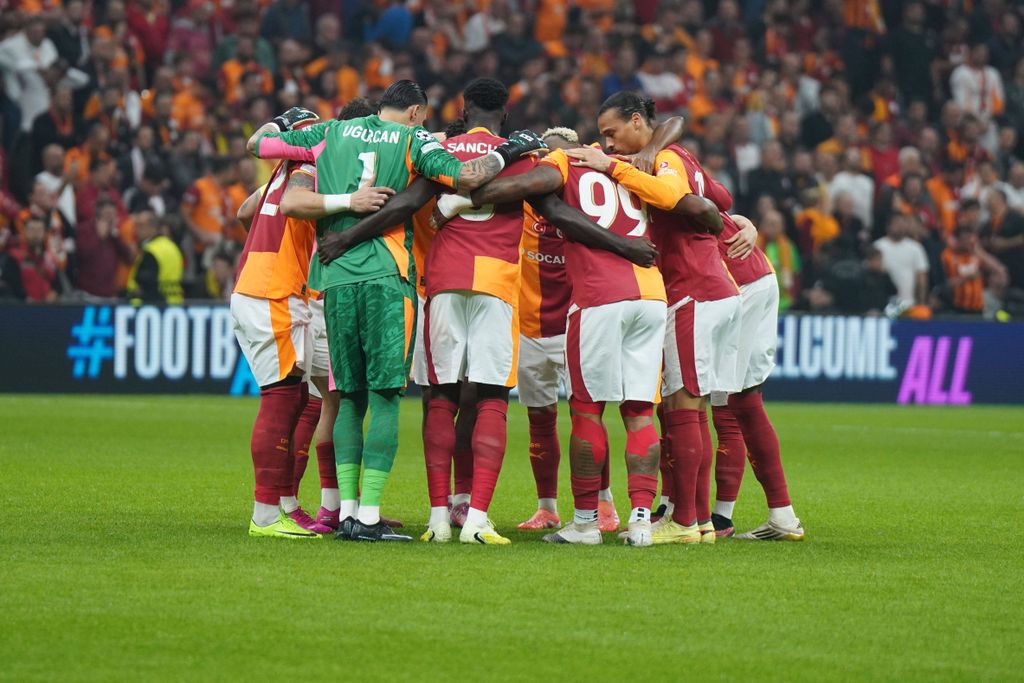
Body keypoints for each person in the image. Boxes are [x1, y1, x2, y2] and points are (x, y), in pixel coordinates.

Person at [249, 80, 546, 542]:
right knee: (386, 397)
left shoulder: (329, 132)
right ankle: (369, 516)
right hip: (388, 277)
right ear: (415, 112)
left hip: (334, 277)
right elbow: (468, 177)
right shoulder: (415, 139)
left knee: (348, 397)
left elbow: (260, 145)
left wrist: (285, 125)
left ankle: (345, 513)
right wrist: (508, 151)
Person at [439, 121, 666, 547]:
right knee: (545, 418)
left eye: (553, 154)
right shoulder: (527, 203)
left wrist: (456, 195)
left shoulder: (573, 193)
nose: (544, 161)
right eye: (540, 156)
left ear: (576, 154)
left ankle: (601, 507)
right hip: (531, 325)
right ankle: (549, 507)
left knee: (590, 413)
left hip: (584, 317)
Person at [568, 92, 740, 545]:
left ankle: (686, 521)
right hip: (709, 290)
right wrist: (739, 222)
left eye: (612, 133)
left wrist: (614, 166)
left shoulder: (662, 159)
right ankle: (697, 520)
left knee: (682, 411)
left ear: (636, 121)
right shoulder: (676, 154)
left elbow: (672, 195)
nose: (608, 143)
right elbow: (721, 198)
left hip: (692, 290)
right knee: (692, 410)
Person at [709, 211, 805, 541]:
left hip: (741, 285)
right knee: (737, 401)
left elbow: (709, 203)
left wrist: (743, 223)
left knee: (727, 400)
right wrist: (743, 222)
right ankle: (767, 515)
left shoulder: (656, 185)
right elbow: (716, 203)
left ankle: (696, 515)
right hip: (753, 278)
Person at [75, 198, 133, 299]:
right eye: (107, 214)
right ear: (98, 214)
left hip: (110, 292)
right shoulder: (84, 229)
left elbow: (128, 258)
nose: (111, 218)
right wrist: (99, 238)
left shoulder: (115, 235)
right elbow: (83, 255)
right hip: (88, 293)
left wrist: (115, 235)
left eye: (113, 214)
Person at [126, 211, 184, 305]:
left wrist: (135, 294)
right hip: (174, 303)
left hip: (150, 307)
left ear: (153, 228)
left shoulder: (151, 250)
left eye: (141, 226)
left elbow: (146, 283)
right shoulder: (172, 247)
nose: (136, 230)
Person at [874, 213, 929, 309]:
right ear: (888, 226)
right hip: (883, 304)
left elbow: (921, 277)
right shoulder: (878, 246)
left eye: (902, 224)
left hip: (909, 304)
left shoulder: (915, 248)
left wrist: (921, 302)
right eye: (896, 224)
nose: (900, 227)